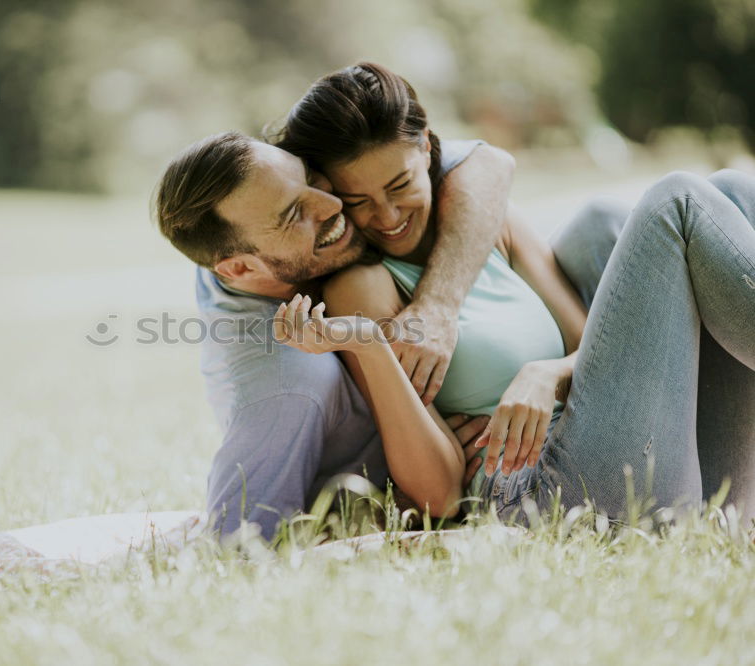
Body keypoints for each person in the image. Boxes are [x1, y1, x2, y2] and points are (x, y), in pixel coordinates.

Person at [273, 62, 755, 524]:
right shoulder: (364, 287)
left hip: (647, 460)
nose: (387, 216)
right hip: (544, 489)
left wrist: (548, 376)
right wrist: (371, 345)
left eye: (399, 185)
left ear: (425, 147)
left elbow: (591, 346)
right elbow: (437, 496)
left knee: (731, 190)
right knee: (678, 202)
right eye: (358, 202)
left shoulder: (487, 224)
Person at [154, 129, 518, 539]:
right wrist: (376, 510)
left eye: (310, 175)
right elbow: (238, 548)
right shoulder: (285, 384)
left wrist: (438, 303)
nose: (334, 203)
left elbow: (489, 163)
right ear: (240, 269)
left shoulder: (264, 180)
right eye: (294, 215)